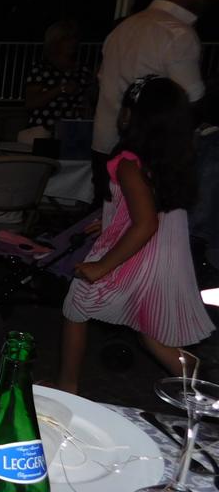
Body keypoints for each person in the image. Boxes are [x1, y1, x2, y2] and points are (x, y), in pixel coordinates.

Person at [58, 76, 213, 393]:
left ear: (132, 116)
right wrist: (111, 221)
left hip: (141, 255)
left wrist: (102, 266)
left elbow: (145, 223)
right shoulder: (169, 160)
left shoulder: (128, 163)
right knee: (152, 335)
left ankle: (67, 386)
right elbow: (150, 208)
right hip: (165, 258)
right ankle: (206, 388)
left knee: (77, 303)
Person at [91, 0, 215, 203]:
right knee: (147, 220)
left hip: (106, 143)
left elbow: (102, 82)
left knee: (107, 217)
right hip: (148, 153)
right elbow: (191, 100)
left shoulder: (125, 27)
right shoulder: (177, 33)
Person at [23, 20, 92, 135]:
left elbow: (88, 100)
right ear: (55, 42)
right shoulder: (41, 69)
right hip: (44, 130)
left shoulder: (83, 70)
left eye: (74, 38)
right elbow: (31, 103)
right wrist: (60, 89)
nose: (72, 42)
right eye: (66, 39)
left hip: (73, 131)